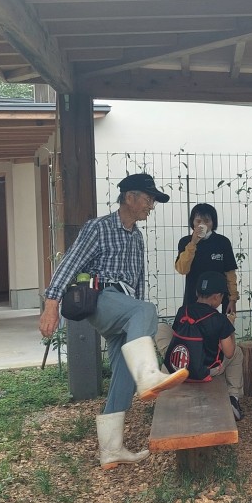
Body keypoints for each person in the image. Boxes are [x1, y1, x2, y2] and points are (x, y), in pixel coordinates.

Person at [38, 173, 188, 470]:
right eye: (148, 199)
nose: (151, 206)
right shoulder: (99, 228)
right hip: (101, 298)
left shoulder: (137, 237)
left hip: (125, 307)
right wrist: (51, 303)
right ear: (129, 198)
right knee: (146, 310)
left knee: (123, 369)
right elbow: (70, 262)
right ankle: (148, 376)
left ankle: (111, 449)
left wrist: (137, 313)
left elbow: (139, 283)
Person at [167, 271, 245, 421]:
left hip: (180, 366)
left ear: (197, 292)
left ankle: (170, 360)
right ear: (217, 297)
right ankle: (234, 397)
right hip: (206, 370)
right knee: (237, 353)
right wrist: (230, 328)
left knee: (163, 328)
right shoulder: (219, 319)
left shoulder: (183, 311)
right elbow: (229, 352)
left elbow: (178, 333)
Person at [174, 203, 238, 318]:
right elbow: (182, 269)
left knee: (224, 328)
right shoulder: (185, 242)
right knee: (194, 329)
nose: (202, 225)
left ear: (213, 223)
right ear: (192, 222)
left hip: (220, 296)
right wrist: (193, 243)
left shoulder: (223, 242)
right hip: (194, 296)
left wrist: (232, 299)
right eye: (198, 221)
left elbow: (230, 272)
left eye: (206, 221)